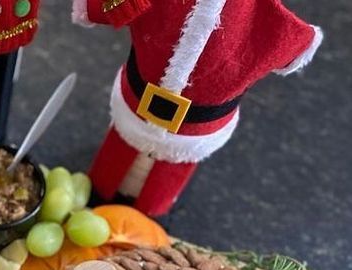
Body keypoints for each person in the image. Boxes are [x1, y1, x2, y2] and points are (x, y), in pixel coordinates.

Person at [73, 0, 322, 215]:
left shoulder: (259, 10)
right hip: (137, 101)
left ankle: (151, 212)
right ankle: (101, 190)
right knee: (111, 161)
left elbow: (290, 39)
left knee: (165, 181)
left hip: (195, 127)